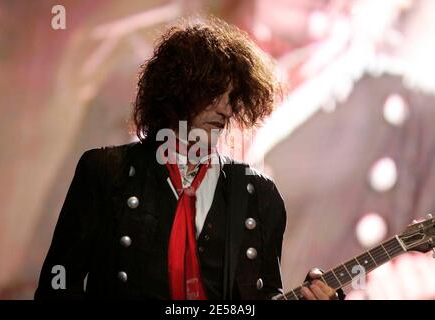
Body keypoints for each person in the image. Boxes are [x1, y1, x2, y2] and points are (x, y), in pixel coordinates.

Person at [34, 17, 339, 300]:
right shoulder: (106, 172)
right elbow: (58, 285)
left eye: (232, 98)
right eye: (213, 94)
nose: (225, 110)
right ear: (176, 89)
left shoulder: (259, 194)